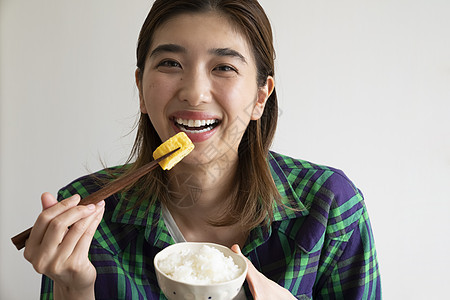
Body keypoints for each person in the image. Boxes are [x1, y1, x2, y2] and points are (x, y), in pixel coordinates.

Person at [23, 0, 381, 299]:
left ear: (261, 96)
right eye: (170, 64)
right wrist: (75, 291)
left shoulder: (330, 208)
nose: (194, 93)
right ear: (140, 88)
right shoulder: (86, 218)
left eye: (223, 67)